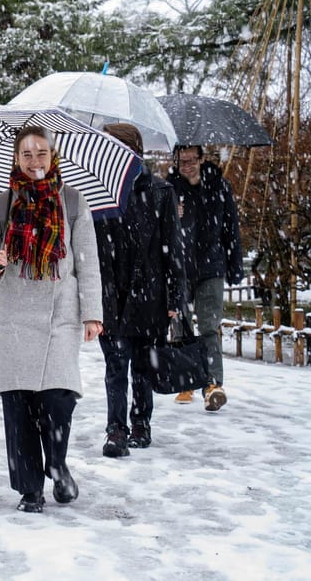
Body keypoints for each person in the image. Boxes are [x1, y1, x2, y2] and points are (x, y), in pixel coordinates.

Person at [0, 126, 103, 513]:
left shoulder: (74, 204)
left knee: (59, 397)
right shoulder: (1, 205)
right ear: (16, 158)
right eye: (26, 155)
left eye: (41, 153)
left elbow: (88, 263)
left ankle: (57, 462)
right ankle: (30, 489)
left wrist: (92, 313)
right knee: (20, 405)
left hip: (60, 313)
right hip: (15, 316)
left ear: (52, 156)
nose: (34, 162)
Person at [95, 123, 187, 458]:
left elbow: (173, 249)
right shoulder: (98, 193)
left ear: (131, 150)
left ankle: (140, 423)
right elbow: (89, 250)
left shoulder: (160, 191)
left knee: (144, 366)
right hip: (111, 293)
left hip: (150, 295)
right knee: (116, 366)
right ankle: (116, 429)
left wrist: (176, 298)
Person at [167, 145, 244, 411]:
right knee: (181, 325)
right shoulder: (170, 188)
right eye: (181, 161)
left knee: (209, 326)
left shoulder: (219, 187)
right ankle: (186, 380)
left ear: (201, 159)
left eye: (190, 160)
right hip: (180, 267)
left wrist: (235, 266)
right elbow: (161, 229)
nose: (186, 166)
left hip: (211, 266)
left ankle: (213, 385)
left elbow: (230, 227)